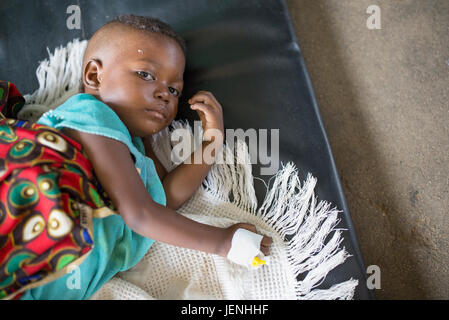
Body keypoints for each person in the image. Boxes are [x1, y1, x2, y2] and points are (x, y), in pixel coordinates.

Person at [11, 15, 271, 299]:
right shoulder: (89, 115)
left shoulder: (135, 149)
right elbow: (141, 215)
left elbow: (165, 200)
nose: (164, 94)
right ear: (95, 76)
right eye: (146, 75)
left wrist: (212, 140)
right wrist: (223, 242)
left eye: (174, 90)